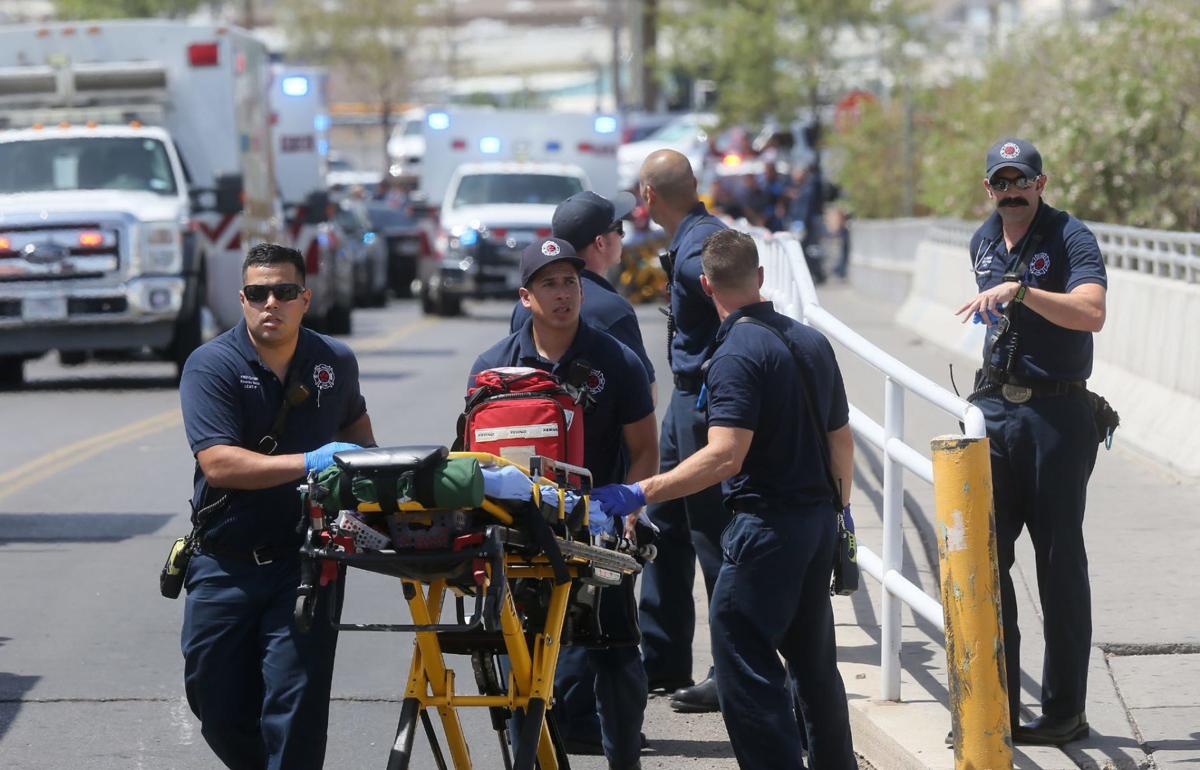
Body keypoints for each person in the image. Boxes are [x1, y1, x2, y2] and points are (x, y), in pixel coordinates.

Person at [591, 229, 856, 770]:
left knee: (742, 656)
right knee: (814, 666)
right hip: (816, 522)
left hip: (766, 529)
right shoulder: (810, 341)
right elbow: (840, 441)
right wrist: (839, 513)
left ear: (706, 285)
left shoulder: (735, 352)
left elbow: (724, 457)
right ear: (760, 278)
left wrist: (640, 491)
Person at [179, 242, 376, 769]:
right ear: (241, 300)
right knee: (216, 706)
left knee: (296, 709)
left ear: (305, 298)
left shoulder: (334, 360)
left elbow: (358, 435)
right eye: (258, 293)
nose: (272, 303)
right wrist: (311, 460)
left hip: (305, 562)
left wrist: (366, 489)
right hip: (226, 563)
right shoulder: (211, 365)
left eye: (284, 292)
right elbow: (220, 464)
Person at [471, 236, 659, 770]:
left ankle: (626, 759)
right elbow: (472, 458)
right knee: (523, 661)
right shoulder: (492, 367)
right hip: (520, 537)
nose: (563, 294)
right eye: (549, 284)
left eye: (570, 282)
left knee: (616, 657)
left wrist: (627, 512)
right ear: (526, 297)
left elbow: (644, 449)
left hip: (598, 531)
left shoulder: (615, 360)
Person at [955, 138, 1106, 745]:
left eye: (1022, 182)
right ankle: (998, 705)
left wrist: (1020, 291)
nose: (1011, 192)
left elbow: (1091, 313)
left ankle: (1065, 710)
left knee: (1058, 564)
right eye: (1001, 182)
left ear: (1041, 184)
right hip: (996, 410)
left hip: (1057, 416)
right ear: (988, 188)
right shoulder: (984, 239)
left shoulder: (1072, 238)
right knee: (987, 562)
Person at [635, 148, 727, 713]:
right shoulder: (694, 234)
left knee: (713, 536)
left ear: (647, 197)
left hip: (705, 403)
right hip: (683, 402)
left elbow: (728, 302)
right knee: (664, 526)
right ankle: (665, 658)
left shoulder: (701, 245)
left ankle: (728, 667)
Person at [511, 190, 656, 401]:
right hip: (599, 433)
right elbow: (644, 394)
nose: (622, 237)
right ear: (600, 242)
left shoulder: (525, 305)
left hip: (538, 428)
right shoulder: (613, 308)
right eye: (619, 229)